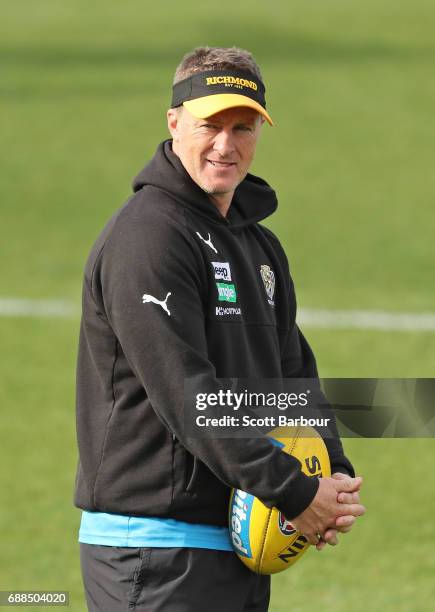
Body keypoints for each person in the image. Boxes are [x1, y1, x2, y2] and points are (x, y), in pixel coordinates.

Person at [74, 46, 365, 612]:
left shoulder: (258, 244)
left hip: (240, 539)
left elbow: (291, 375)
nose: (226, 145)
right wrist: (297, 491)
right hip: (153, 553)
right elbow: (189, 397)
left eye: (243, 127)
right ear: (174, 121)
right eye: (210, 124)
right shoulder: (149, 237)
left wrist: (331, 473)